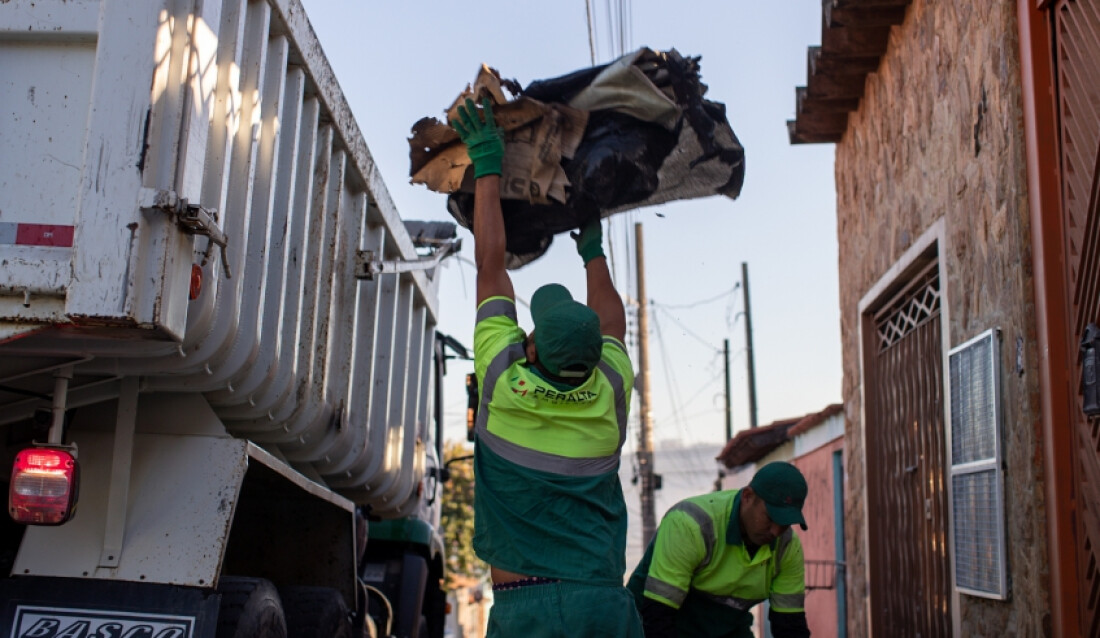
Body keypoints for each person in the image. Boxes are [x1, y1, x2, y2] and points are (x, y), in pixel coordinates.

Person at [451, 96, 643, 637]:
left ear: (531, 350)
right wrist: (593, 247)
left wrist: (488, 165)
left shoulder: (501, 382)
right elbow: (613, 322)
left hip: (526, 610)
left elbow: (492, 264)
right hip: (604, 607)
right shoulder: (607, 395)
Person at [627, 461, 813, 638]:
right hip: (652, 623)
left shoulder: (787, 547)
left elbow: (790, 626)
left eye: (785, 523)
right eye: (770, 518)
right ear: (747, 496)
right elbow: (658, 618)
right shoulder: (691, 524)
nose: (776, 531)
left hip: (726, 627)